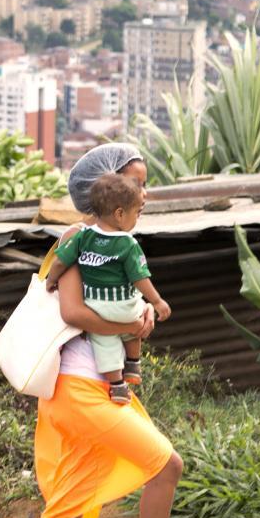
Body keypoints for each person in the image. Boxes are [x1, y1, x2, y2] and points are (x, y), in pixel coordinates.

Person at [24, 143, 207, 518]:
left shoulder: (113, 242)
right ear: (108, 188)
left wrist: (139, 315)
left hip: (93, 387)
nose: (145, 193)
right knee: (167, 466)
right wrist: (130, 325)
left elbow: (111, 306)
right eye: (138, 182)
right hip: (79, 389)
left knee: (78, 486)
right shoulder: (78, 238)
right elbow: (73, 311)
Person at [42, 172, 171, 404]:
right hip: (124, 307)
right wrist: (156, 301)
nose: (136, 220)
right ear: (119, 214)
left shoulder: (82, 238)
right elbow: (139, 277)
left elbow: (60, 261)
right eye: (136, 215)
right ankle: (133, 363)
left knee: (105, 342)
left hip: (97, 307)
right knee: (134, 315)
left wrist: (51, 280)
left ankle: (117, 384)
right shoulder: (128, 244)